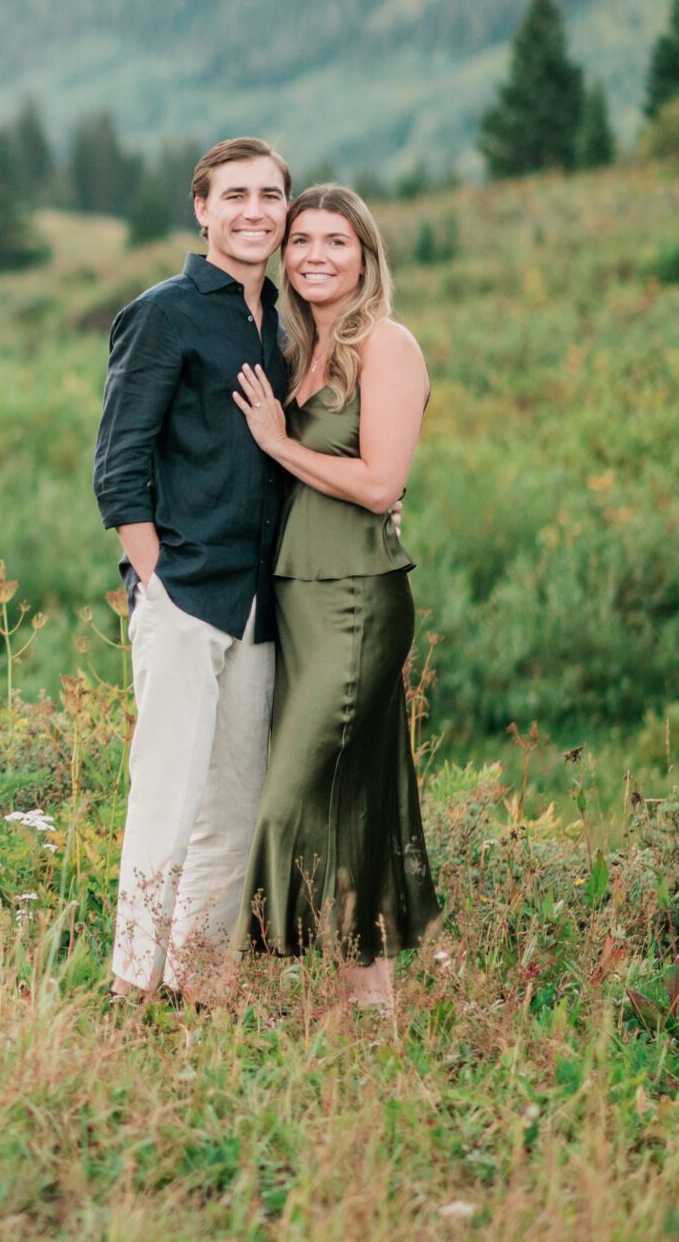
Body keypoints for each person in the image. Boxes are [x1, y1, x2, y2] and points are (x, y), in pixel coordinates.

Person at [233, 184, 441, 1012]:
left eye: (336, 241)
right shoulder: (293, 351)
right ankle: (371, 1007)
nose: (315, 255)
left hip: (355, 596)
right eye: (302, 241)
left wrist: (282, 445)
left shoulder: (386, 346)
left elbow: (381, 480)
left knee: (289, 796)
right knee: (355, 799)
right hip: (294, 594)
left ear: (366, 257)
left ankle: (225, 980)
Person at [92, 137, 291, 999]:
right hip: (185, 596)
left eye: (272, 195)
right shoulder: (164, 311)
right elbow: (118, 465)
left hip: (258, 606)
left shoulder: (279, 320)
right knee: (165, 802)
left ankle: (199, 989)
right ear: (202, 208)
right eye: (236, 194)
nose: (256, 210)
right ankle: (132, 986)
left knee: (232, 811)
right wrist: (157, 580)